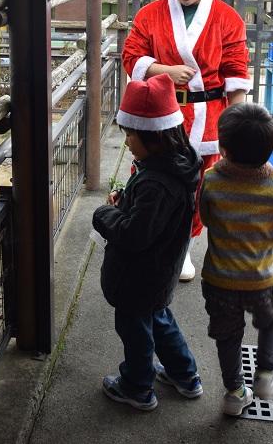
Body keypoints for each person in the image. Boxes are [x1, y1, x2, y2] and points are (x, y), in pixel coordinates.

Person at [122, 0, 251, 281]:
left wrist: (236, 130)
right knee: (153, 179)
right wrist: (164, 70)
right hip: (161, 113)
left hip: (208, 115)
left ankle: (183, 248)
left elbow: (236, 72)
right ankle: (145, 237)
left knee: (199, 185)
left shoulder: (227, 18)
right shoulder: (150, 14)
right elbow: (131, 57)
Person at [92, 73, 203, 412]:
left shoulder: (156, 182)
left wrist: (104, 215)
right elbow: (152, 218)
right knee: (160, 321)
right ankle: (185, 376)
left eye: (130, 134)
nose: (126, 141)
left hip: (139, 275)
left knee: (135, 330)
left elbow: (135, 234)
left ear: (153, 135)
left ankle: (137, 386)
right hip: (159, 271)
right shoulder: (175, 166)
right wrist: (126, 200)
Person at [200, 103, 273, 416]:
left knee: (227, 337)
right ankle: (266, 373)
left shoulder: (211, 179)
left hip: (220, 280)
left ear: (223, 148)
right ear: (269, 150)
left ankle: (234, 393)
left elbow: (206, 218)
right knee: (272, 321)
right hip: (262, 280)